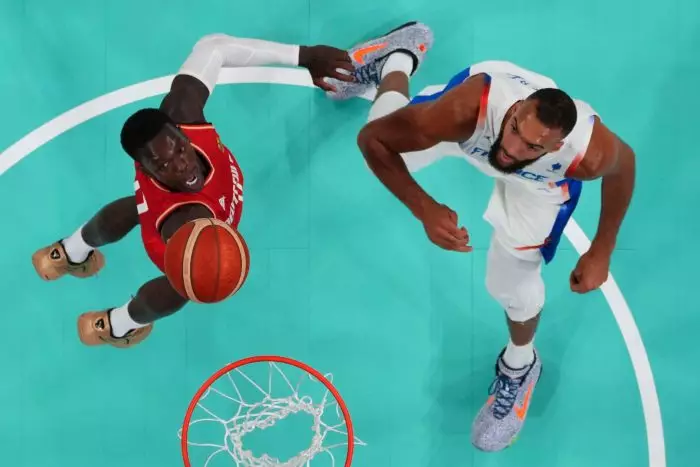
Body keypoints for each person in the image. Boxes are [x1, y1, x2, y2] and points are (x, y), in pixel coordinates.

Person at [329, 22, 636, 451]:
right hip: (470, 136)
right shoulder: (464, 111)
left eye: (532, 146)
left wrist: (602, 250)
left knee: (510, 281)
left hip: (538, 186)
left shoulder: (587, 155)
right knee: (387, 137)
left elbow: (625, 167)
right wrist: (424, 207)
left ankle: (521, 364)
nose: (513, 149)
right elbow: (373, 141)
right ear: (515, 111)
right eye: (515, 130)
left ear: (554, 148)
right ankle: (397, 58)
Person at [31, 34, 355, 349]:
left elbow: (213, 46)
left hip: (169, 201)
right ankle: (117, 325)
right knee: (184, 282)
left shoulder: (184, 110)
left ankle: (69, 252)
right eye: (164, 165)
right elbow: (209, 272)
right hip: (175, 233)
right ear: (147, 170)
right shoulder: (186, 223)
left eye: (179, 149)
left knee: (137, 206)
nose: (182, 165)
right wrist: (207, 267)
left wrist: (304, 55)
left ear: (182, 131)